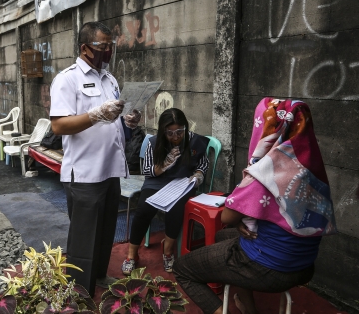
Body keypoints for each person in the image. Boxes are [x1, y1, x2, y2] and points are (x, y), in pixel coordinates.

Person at [172, 98, 337, 314]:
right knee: (225, 237)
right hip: (304, 265)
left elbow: (227, 217)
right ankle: (249, 309)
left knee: (182, 268)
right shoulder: (310, 168)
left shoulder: (265, 169)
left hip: (269, 267)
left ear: (268, 130)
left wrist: (241, 215)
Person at [50, 21, 142, 296]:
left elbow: (111, 121)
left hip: (109, 169)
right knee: (83, 238)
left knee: (104, 233)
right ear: (85, 48)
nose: (109, 51)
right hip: (85, 173)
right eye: (103, 46)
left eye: (112, 45)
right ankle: (78, 292)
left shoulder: (110, 79)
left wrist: (128, 121)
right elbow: (59, 126)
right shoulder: (67, 79)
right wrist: (94, 116)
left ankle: (99, 276)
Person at [121, 108, 208, 275]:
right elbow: (146, 170)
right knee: (143, 209)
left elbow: (203, 164)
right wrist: (163, 166)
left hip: (181, 182)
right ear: (163, 130)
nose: (175, 137)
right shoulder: (154, 142)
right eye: (170, 133)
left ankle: (167, 251)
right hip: (157, 182)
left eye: (179, 132)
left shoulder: (194, 141)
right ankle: (132, 255)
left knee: (176, 208)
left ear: (185, 128)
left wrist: (198, 176)